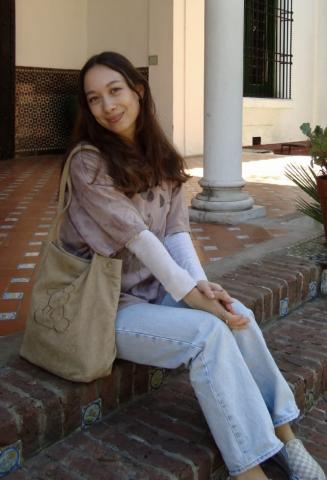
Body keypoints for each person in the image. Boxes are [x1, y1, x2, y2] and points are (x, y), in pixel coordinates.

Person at [59, 51, 325, 480]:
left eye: (115, 91)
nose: (107, 106)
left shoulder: (161, 157)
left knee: (235, 314)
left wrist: (206, 290)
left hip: (152, 293)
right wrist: (196, 301)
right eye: (94, 99)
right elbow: (140, 240)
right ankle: (250, 472)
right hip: (104, 307)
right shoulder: (88, 162)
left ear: (138, 91)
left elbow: (176, 235)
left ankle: (286, 439)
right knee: (208, 335)